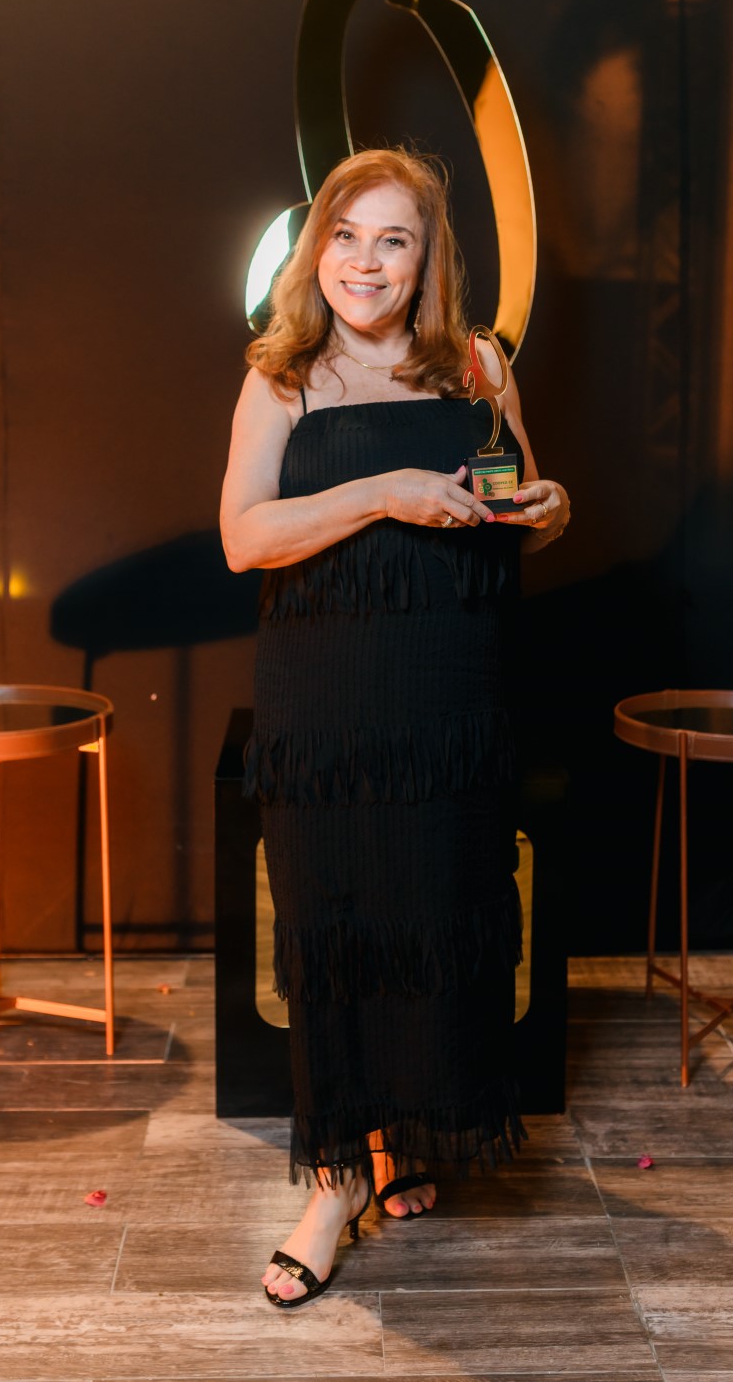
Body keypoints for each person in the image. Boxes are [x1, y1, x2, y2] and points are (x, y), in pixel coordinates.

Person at [220, 146, 570, 1308]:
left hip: (451, 701)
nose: (364, 263)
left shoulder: (477, 365)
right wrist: (383, 494)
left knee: (432, 919)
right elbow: (245, 538)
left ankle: (401, 1137)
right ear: (317, 246)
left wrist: (552, 505)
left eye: (393, 240)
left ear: (428, 261)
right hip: (328, 709)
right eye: (347, 235)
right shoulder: (281, 376)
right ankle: (332, 1185)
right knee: (336, 931)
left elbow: (519, 502)